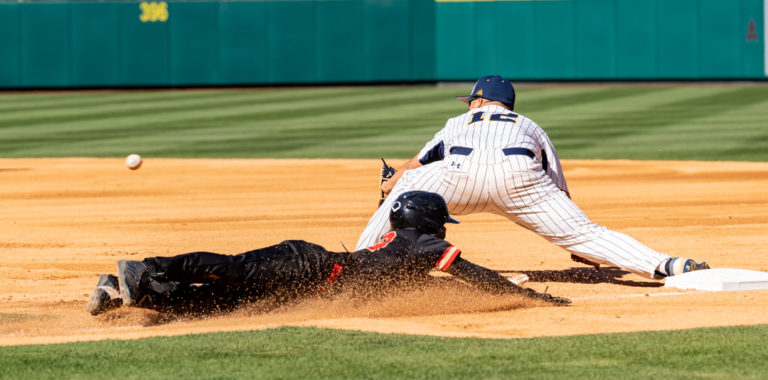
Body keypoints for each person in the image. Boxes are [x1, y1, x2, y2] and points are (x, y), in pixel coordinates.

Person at [355, 75, 709, 279]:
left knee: (405, 189)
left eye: (470, 101)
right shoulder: (530, 125)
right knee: (589, 234)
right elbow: (557, 185)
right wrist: (576, 238)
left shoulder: (457, 122)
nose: (467, 106)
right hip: (521, 182)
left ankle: (356, 267)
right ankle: (670, 265)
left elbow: (413, 168)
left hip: (457, 179)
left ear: (479, 102)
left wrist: (390, 186)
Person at [87, 191, 569, 316]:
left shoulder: (404, 248)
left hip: (315, 281)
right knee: (234, 272)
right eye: (439, 222)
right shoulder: (426, 246)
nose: (443, 230)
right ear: (428, 222)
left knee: (217, 305)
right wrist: (532, 299)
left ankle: (132, 296)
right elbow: (475, 275)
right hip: (312, 264)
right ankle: (147, 269)